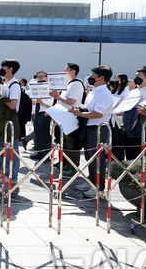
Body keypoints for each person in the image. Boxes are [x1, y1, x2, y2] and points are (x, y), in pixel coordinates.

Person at [70, 65, 115, 198]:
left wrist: (79, 113)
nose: (90, 77)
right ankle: (91, 181)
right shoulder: (94, 91)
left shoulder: (104, 94)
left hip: (98, 129)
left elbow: (97, 114)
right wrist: (78, 110)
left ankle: (98, 187)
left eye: (93, 76)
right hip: (89, 128)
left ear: (101, 78)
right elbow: (88, 108)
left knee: (97, 159)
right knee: (90, 157)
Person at [50, 63, 86, 176]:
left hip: (72, 117)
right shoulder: (68, 84)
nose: (63, 73)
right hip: (64, 117)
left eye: (65, 70)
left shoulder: (76, 84)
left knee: (72, 144)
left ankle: (73, 167)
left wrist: (58, 97)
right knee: (64, 143)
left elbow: (71, 101)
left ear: (73, 71)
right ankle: (65, 163)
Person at [0, 59, 23, 183]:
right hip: (3, 119)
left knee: (12, 149)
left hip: (11, 119)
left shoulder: (14, 85)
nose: (1, 69)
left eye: (3, 67)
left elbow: (12, 105)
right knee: (4, 148)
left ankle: (13, 177)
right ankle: (6, 174)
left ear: (10, 69)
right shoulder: (6, 83)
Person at [122, 68, 146, 160]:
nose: (135, 78)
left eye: (138, 77)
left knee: (140, 154)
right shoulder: (134, 91)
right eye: (135, 76)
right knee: (130, 153)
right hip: (129, 125)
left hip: (142, 127)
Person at [28, 71, 53, 160]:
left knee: (45, 134)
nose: (40, 78)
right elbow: (33, 100)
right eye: (38, 77)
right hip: (37, 113)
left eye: (42, 76)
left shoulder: (49, 88)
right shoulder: (36, 87)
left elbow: (51, 105)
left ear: (46, 77)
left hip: (45, 113)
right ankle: (40, 152)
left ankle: (46, 155)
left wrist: (41, 102)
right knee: (38, 134)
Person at [110, 73, 130, 161]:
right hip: (113, 116)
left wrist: (121, 110)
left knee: (119, 138)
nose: (116, 81)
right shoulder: (116, 90)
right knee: (113, 137)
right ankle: (113, 155)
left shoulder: (126, 90)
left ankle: (120, 157)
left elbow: (126, 102)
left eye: (117, 80)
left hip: (119, 117)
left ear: (123, 81)